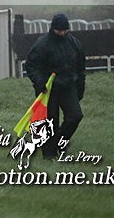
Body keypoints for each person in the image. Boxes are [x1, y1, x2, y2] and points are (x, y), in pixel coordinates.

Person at [25, 13, 86, 160]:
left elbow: (80, 67)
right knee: (51, 122)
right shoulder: (42, 44)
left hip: (68, 86)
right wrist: (40, 83)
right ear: (53, 29)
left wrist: (80, 85)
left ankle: (58, 142)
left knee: (75, 116)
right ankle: (49, 154)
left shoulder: (74, 43)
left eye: (65, 30)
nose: (63, 33)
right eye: (60, 30)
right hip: (48, 89)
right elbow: (31, 65)